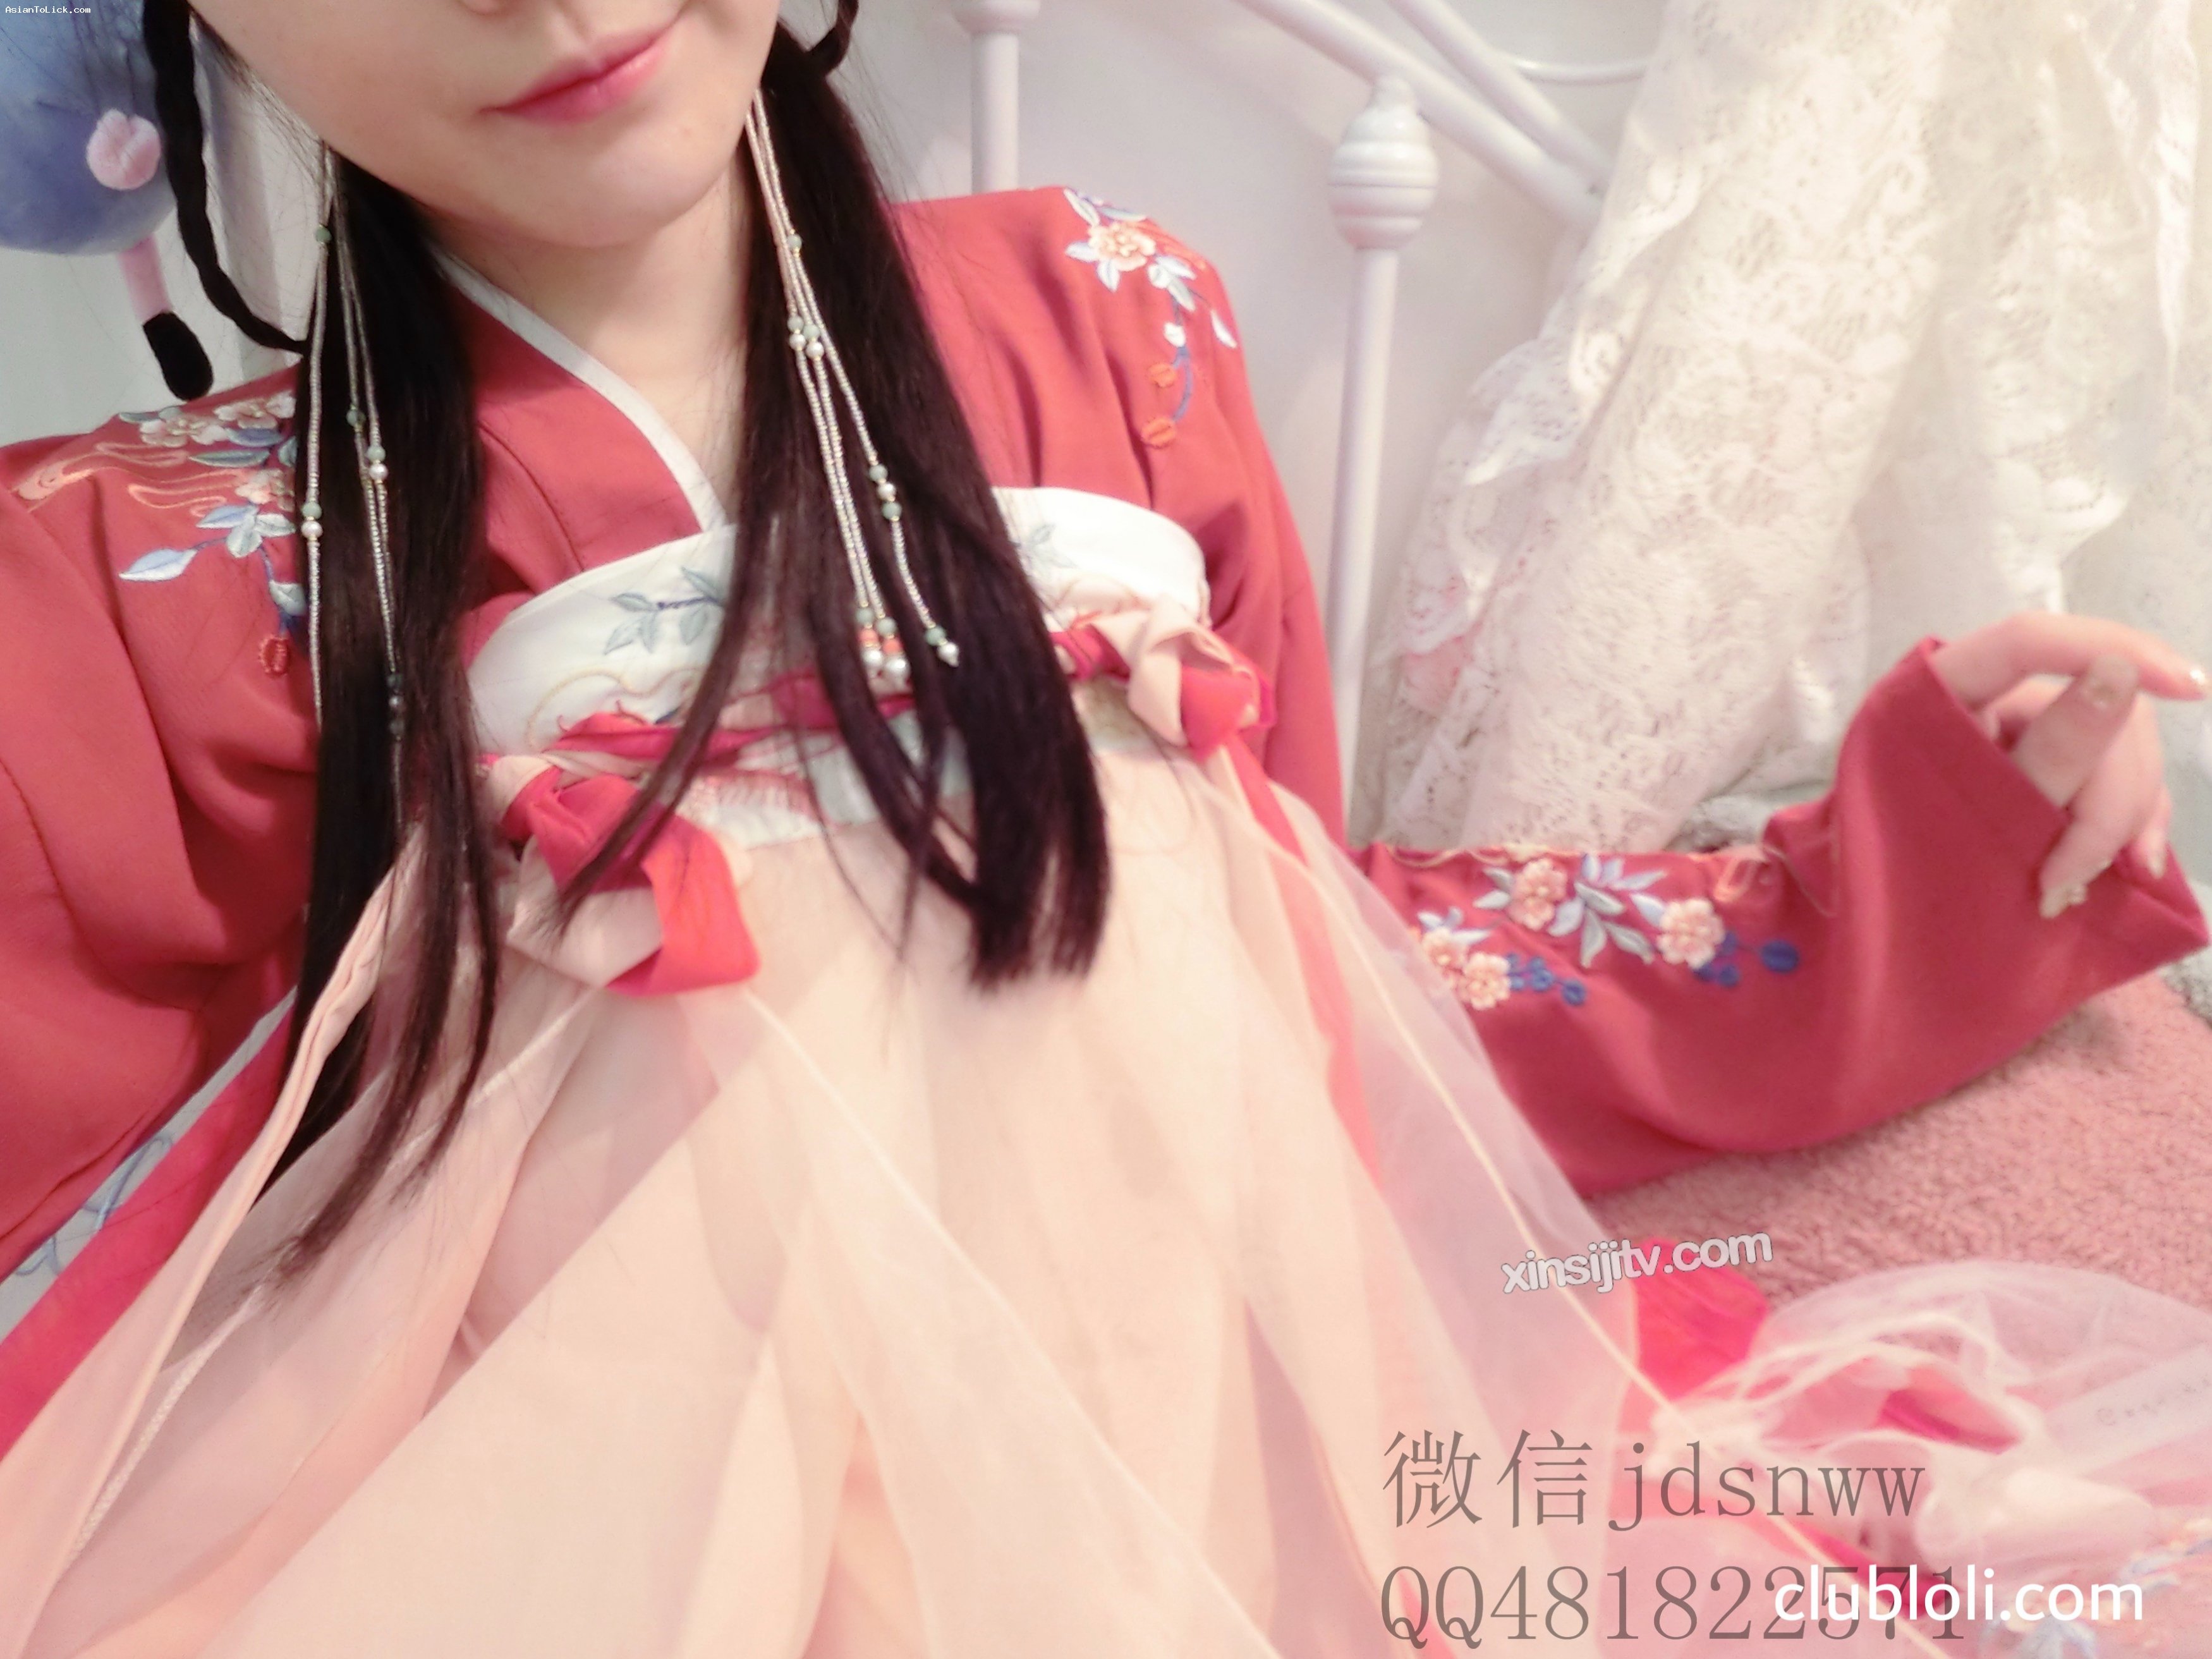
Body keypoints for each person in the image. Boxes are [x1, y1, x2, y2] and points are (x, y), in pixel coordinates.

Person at [0, 1, 2203, 1651]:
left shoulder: (1106, 329)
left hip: (1214, 1481)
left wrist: (1893, 874)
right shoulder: (123, 593)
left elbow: (1296, 974)